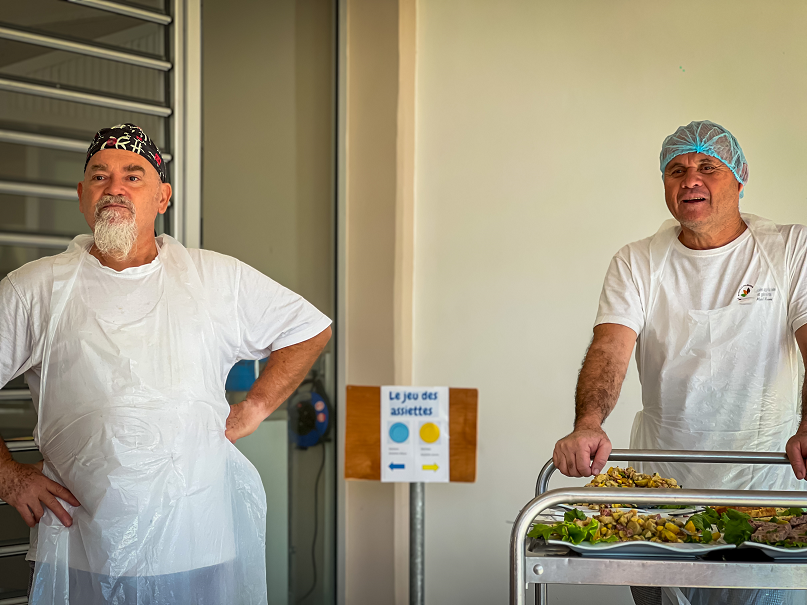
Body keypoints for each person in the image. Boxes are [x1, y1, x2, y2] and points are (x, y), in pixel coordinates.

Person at [0, 123, 332, 604]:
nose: (114, 187)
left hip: (197, 545)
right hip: (81, 548)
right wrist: (9, 475)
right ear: (81, 195)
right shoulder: (35, 289)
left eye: (133, 176)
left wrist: (255, 408)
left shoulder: (213, 278)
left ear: (163, 197)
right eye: (100, 176)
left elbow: (308, 329)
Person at [552, 120, 807, 605]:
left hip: (765, 486)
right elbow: (610, 346)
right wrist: (588, 422)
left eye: (708, 167)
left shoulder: (790, 249)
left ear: (740, 176)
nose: (690, 179)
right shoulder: (638, 260)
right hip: (660, 494)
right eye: (676, 170)